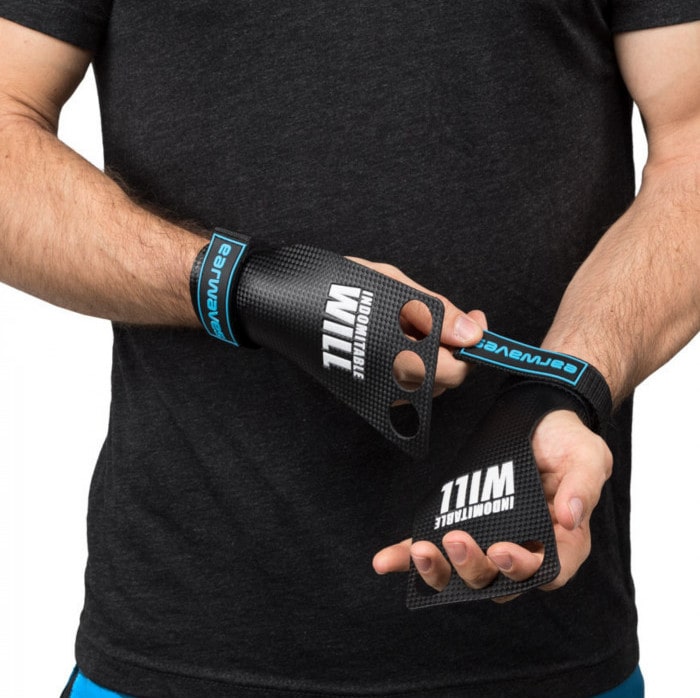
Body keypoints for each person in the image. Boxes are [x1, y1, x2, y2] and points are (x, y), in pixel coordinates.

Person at [0, 2, 698, 697]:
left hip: (545, 637)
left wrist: (564, 384)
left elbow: (690, 146)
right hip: (180, 636)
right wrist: (247, 286)